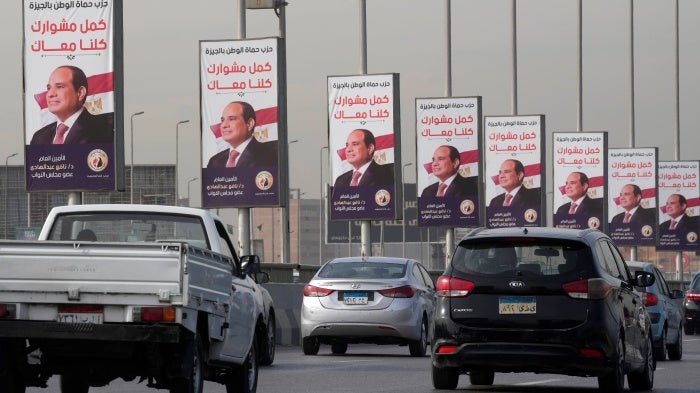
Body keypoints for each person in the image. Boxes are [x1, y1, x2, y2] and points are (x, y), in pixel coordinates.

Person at [30, 65, 113, 145]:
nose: (50, 94)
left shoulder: (104, 129)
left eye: (59, 86)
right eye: (49, 88)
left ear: (80, 93)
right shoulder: (39, 137)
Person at [206, 101, 278, 168]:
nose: (223, 125)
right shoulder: (214, 161)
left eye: (232, 119)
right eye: (222, 120)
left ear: (249, 124)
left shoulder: (270, 156)